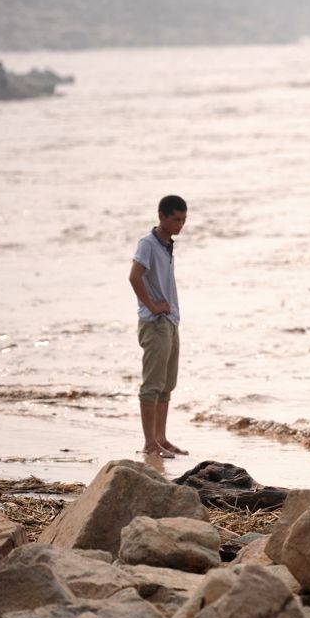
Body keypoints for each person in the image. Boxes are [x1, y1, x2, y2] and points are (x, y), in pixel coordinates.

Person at [128, 195, 189, 458]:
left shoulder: (166, 245)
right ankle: (149, 443)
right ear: (161, 216)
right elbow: (134, 276)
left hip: (171, 321)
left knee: (167, 384)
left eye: (184, 220)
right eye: (176, 219)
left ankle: (161, 439)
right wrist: (153, 306)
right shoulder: (148, 243)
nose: (180, 224)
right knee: (152, 385)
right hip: (155, 322)